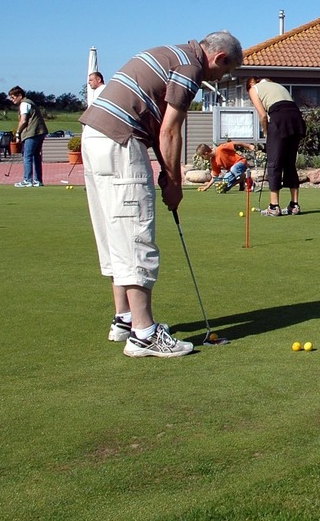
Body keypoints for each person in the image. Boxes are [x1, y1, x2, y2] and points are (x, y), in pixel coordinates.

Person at [79, 31, 243, 358]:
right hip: (121, 141)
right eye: (224, 72)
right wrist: (174, 183)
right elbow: (170, 129)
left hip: (93, 135)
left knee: (115, 231)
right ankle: (144, 335)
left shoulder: (172, 53)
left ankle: (124, 318)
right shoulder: (191, 68)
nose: (220, 77)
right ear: (219, 58)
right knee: (134, 231)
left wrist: (168, 179)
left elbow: (158, 126)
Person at [247, 77, 306, 217]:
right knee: (289, 163)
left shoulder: (253, 89)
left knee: (274, 163)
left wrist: (266, 133)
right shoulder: (277, 85)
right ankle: (294, 205)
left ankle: (274, 207)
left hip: (279, 118)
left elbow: (262, 115)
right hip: (296, 118)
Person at [9, 86, 48, 188]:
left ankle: (27, 180)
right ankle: (37, 180)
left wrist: (18, 133)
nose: (12, 100)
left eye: (13, 97)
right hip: (40, 132)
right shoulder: (30, 102)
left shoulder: (24, 103)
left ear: (20, 96)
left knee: (27, 156)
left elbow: (23, 120)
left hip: (32, 133)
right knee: (36, 156)